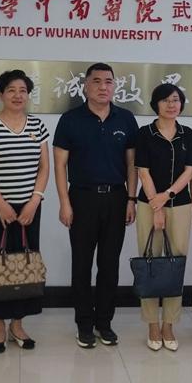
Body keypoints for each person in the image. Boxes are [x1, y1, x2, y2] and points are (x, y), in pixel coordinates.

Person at [53, 62, 138, 349]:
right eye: (97, 81)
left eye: (108, 81)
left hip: (117, 198)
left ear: (115, 86)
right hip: (82, 198)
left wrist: (131, 199)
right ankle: (84, 324)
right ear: (86, 86)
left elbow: (132, 163)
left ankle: (104, 322)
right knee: (82, 264)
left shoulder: (125, 119)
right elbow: (60, 165)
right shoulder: (70, 119)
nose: (103, 87)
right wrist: (64, 203)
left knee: (109, 264)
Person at [0, 70, 50, 353]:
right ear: (0, 94)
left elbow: (44, 167)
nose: (18, 95)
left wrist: (34, 201)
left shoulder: (38, 125)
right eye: (11, 90)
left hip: (30, 208)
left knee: (25, 264)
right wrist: (0, 203)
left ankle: (18, 324)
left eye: (23, 90)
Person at [135, 83, 192, 351]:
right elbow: (143, 171)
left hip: (180, 205)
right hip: (148, 205)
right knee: (149, 261)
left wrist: (168, 195)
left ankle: (169, 324)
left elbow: (189, 170)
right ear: (156, 104)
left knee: (175, 264)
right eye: (165, 100)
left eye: (176, 100)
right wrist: (157, 207)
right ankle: (152, 323)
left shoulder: (187, 134)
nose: (171, 105)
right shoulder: (144, 133)